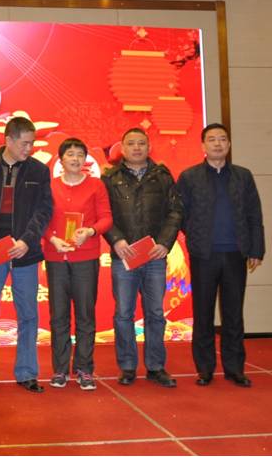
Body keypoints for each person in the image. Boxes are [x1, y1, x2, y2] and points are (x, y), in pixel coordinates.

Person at [177, 123, 264, 388]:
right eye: (212, 139)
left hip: (236, 254)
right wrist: (196, 236)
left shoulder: (243, 176)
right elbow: (180, 214)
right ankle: (205, 369)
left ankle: (234, 368)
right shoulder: (189, 177)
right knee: (203, 314)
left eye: (223, 139)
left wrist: (256, 249)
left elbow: (254, 214)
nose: (218, 143)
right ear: (203, 145)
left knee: (233, 314)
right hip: (204, 255)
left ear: (229, 144)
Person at [0, 116, 53, 393]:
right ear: (8, 140)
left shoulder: (39, 170)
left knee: (28, 313)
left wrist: (28, 240)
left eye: (32, 143)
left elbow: (44, 210)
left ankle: (27, 372)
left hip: (24, 252)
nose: (29, 148)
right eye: (24, 143)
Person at [102, 127, 183, 388]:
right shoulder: (110, 178)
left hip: (154, 256)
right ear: (122, 148)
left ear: (149, 147)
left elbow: (175, 212)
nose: (136, 148)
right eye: (131, 143)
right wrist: (117, 240)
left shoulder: (162, 176)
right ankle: (127, 366)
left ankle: (156, 366)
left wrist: (164, 243)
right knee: (123, 313)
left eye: (141, 143)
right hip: (124, 256)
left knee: (156, 313)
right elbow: (103, 214)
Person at [42, 138, 112, 391]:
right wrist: (52, 239)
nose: (75, 159)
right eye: (70, 154)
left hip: (86, 257)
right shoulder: (49, 186)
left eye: (80, 155)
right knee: (58, 316)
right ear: (61, 160)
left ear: (86, 160)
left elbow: (106, 218)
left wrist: (91, 231)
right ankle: (60, 369)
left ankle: (84, 368)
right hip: (56, 257)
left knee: (85, 314)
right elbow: (40, 219)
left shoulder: (96, 185)